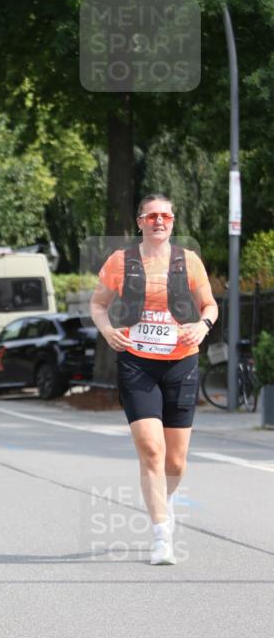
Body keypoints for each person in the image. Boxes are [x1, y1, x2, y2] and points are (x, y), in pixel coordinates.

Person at [90, 194, 218, 566]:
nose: (158, 221)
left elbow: (210, 305)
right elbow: (98, 304)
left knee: (175, 462)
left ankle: (166, 499)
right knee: (151, 450)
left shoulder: (188, 261)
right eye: (151, 216)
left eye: (165, 216)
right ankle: (162, 534)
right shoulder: (121, 261)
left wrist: (203, 325)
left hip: (181, 363)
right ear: (140, 222)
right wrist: (108, 331)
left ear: (172, 221)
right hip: (137, 363)